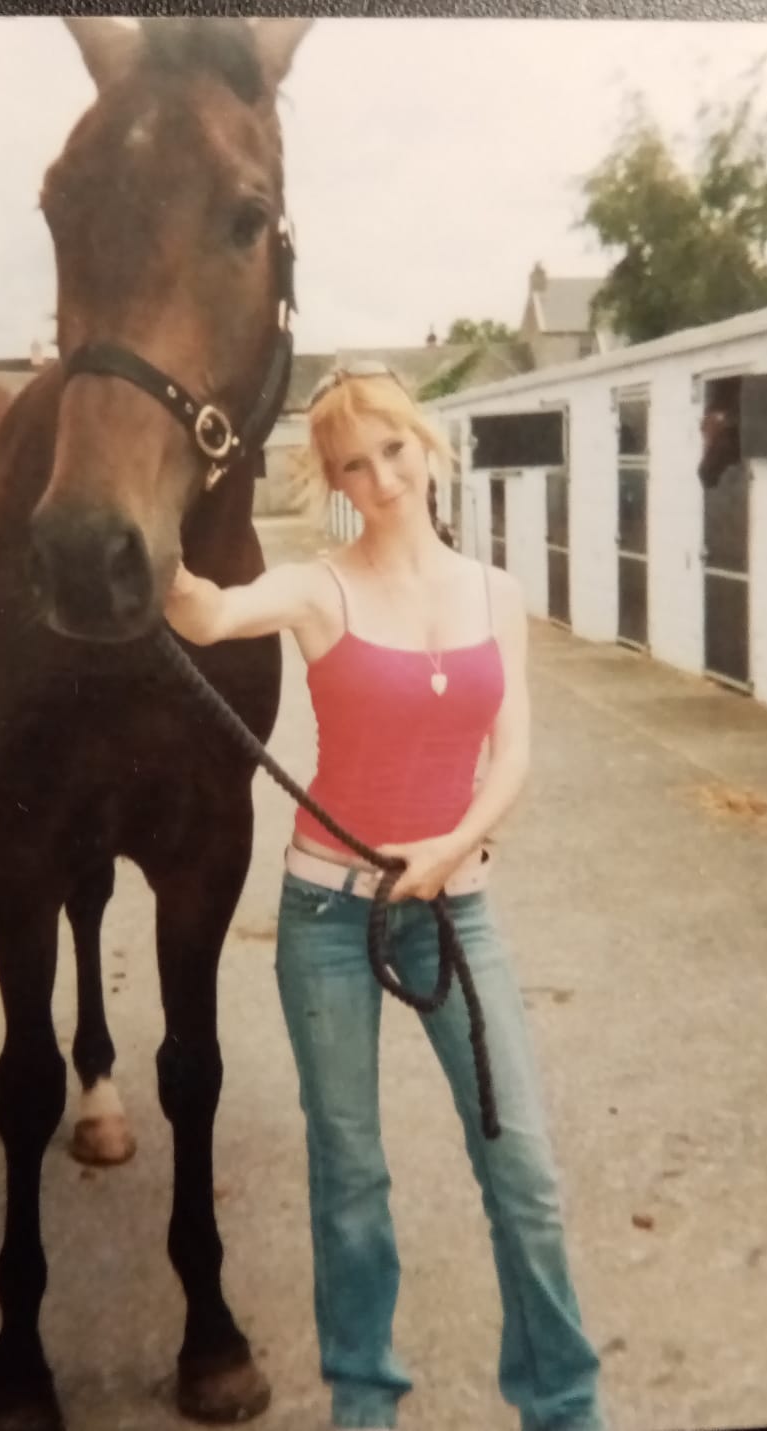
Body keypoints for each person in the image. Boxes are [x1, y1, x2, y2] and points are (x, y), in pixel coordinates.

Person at [164, 365, 606, 1431]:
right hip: (329, 919)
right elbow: (210, 613)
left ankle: (562, 1404)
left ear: (427, 443)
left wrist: (452, 847)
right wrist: (143, 536)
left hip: (458, 909)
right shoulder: (322, 590)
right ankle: (364, 1402)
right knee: (351, 1176)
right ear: (334, 482)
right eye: (354, 465)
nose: (382, 477)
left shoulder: (495, 594)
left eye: (393, 449)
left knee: (523, 1171)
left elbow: (511, 756)